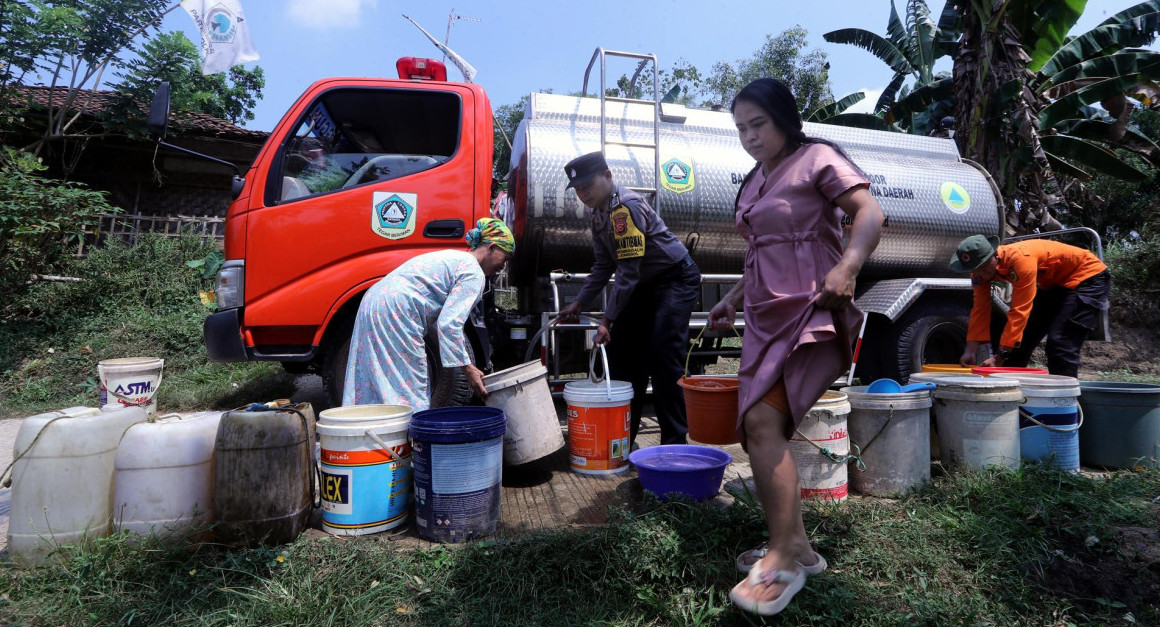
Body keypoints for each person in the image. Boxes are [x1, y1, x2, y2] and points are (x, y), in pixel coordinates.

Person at [707, 78, 884, 616]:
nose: (749, 136)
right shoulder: (754, 180)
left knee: (762, 424)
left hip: (810, 308)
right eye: (740, 128)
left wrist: (848, 267)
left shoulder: (817, 159)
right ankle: (800, 548)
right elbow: (762, 248)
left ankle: (782, 556)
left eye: (757, 124)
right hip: (763, 316)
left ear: (783, 118)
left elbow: (870, 213)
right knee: (769, 426)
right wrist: (732, 298)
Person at [555, 151, 701, 447]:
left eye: (587, 185)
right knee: (623, 358)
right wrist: (580, 302)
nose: (583, 194)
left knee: (663, 356)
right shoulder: (598, 214)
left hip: (674, 279)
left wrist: (608, 319)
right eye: (578, 189)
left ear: (607, 176)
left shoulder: (626, 207)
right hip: (645, 285)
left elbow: (629, 271)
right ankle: (623, 441)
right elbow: (603, 266)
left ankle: (674, 445)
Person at [342, 218, 515, 410]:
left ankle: (364, 432)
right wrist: (468, 368)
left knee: (373, 377)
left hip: (374, 299)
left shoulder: (456, 258)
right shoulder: (474, 273)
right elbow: (449, 324)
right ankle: (408, 435)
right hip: (398, 309)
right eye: (505, 258)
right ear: (491, 247)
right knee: (408, 386)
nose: (503, 267)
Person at [951, 234, 1110, 378]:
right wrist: (970, 350)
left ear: (994, 255)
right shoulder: (978, 273)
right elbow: (980, 308)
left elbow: (1020, 310)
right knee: (1020, 343)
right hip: (1055, 284)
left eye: (985, 268)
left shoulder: (1020, 260)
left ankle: (1065, 401)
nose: (981, 274)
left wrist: (1000, 355)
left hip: (1087, 277)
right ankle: (1011, 396)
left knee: (1060, 342)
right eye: (976, 270)